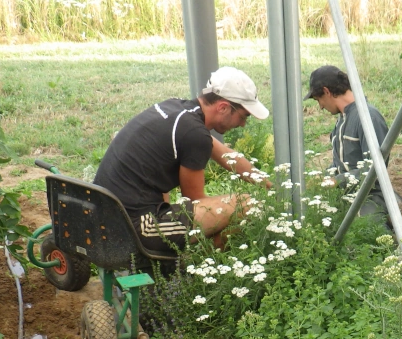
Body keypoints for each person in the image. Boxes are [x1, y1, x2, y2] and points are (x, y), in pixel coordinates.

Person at [94, 66, 270, 252]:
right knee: (247, 206)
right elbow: (196, 203)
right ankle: (198, 267)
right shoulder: (195, 134)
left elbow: (227, 155)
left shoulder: (178, 110)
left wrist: (271, 186)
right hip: (133, 227)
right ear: (223, 107)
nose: (243, 125)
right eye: (244, 117)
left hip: (107, 215)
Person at [304, 65, 390, 219]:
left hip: (370, 196)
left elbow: (376, 170)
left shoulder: (368, 117)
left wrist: (335, 181)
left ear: (327, 92)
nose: (321, 107)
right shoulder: (342, 120)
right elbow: (340, 164)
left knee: (364, 232)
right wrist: (321, 178)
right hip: (345, 193)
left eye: (319, 100)